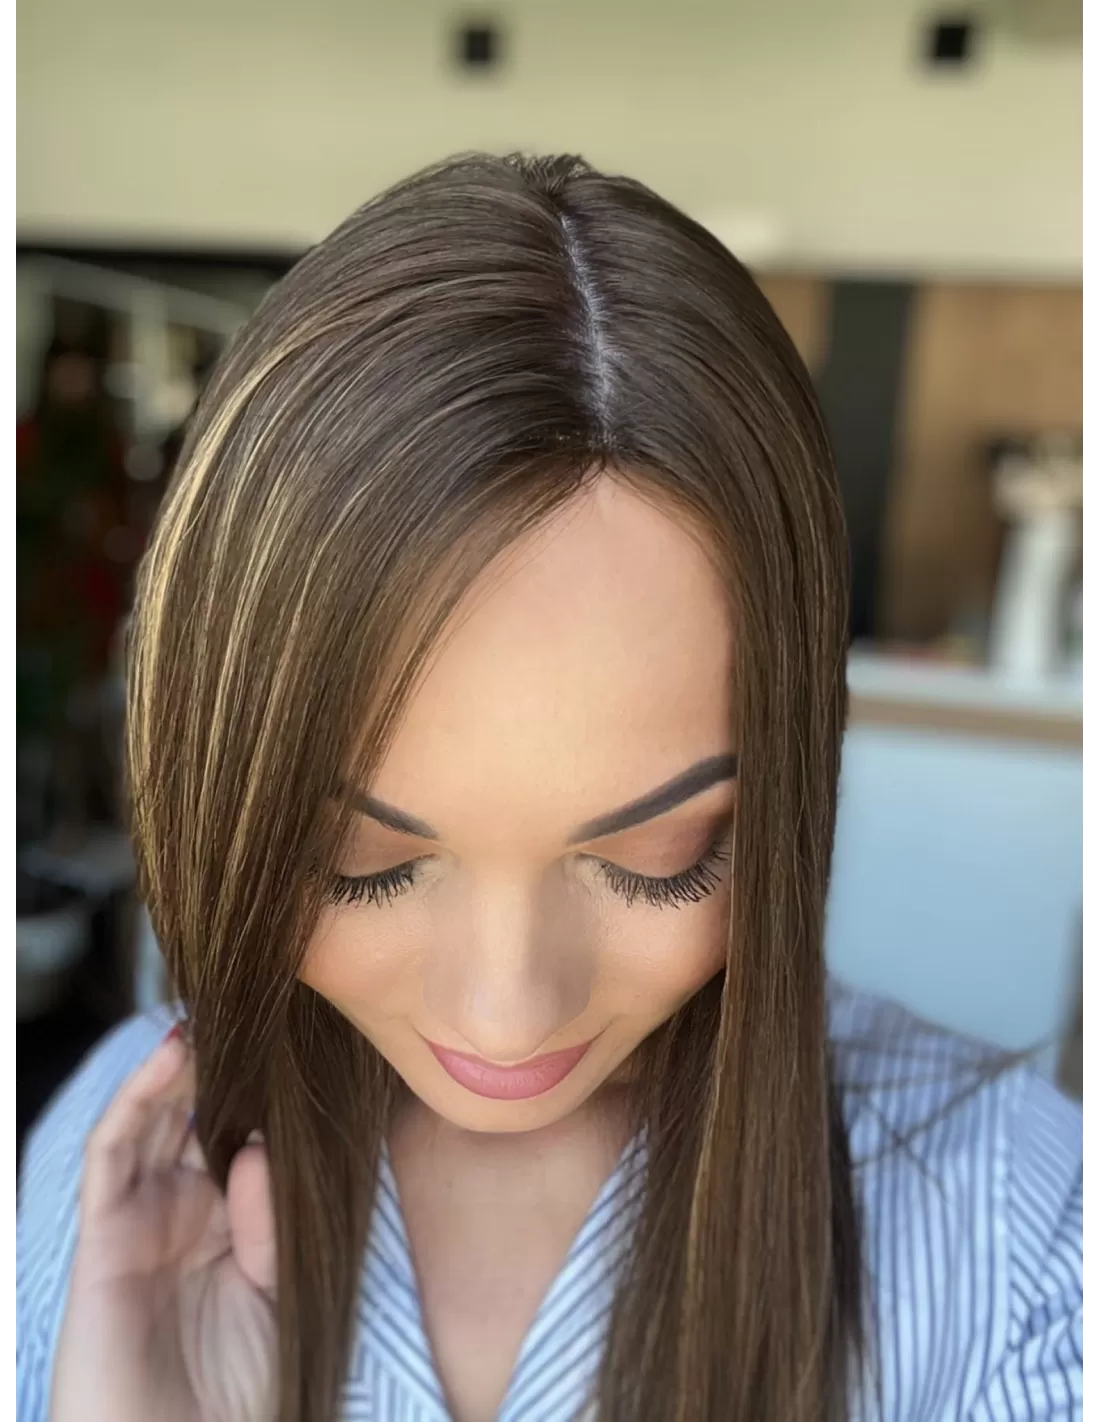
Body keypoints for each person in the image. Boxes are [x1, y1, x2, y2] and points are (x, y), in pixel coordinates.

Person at [16, 153, 1082, 1422]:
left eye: (658, 857)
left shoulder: (1019, 1239)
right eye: (360, 862)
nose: (507, 1014)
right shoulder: (121, 1170)